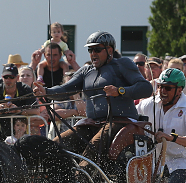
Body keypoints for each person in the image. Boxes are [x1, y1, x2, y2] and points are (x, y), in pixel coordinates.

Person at [33, 31, 153, 166]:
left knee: (93, 146)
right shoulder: (86, 71)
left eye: (97, 49)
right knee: (54, 145)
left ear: (109, 50)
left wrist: (120, 91)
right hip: (92, 123)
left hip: (121, 121)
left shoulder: (122, 64)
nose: (93, 53)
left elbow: (146, 88)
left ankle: (81, 180)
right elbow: (65, 90)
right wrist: (46, 91)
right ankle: (60, 182)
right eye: (90, 50)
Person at [135, 68, 186, 183]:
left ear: (179, 90)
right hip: (156, 162)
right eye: (160, 86)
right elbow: (131, 114)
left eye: (168, 88)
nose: (162, 91)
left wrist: (171, 138)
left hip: (182, 161)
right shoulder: (149, 104)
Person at [0, 64, 39, 140]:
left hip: (21, 135)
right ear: (2, 77)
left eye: (11, 77)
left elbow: (36, 111)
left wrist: (18, 110)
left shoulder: (25, 89)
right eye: (6, 77)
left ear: (17, 78)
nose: (8, 80)